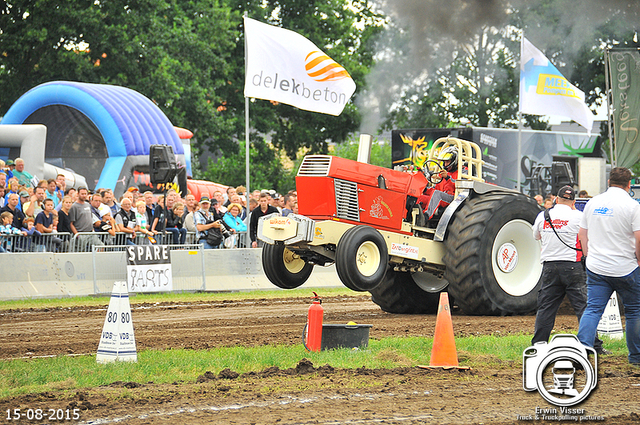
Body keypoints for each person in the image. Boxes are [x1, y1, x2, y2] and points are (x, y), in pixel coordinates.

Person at [531, 185, 607, 354]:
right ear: (573, 202)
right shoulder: (578, 216)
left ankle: (539, 344)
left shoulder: (543, 215)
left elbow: (536, 236)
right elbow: (588, 237)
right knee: (584, 308)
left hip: (549, 266)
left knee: (546, 308)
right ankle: (592, 345)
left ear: (556, 199)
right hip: (573, 266)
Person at [577, 167, 640, 366]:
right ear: (629, 185)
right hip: (626, 267)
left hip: (597, 267)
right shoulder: (633, 205)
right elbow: (639, 237)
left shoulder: (592, 203)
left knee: (593, 309)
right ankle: (636, 357)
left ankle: (582, 351)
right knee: (634, 311)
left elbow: (582, 234)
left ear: (608, 182)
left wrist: (588, 256)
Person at [417, 146, 458, 220]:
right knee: (419, 197)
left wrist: (447, 178)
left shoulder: (464, 172)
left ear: (454, 161)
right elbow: (436, 189)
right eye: (444, 162)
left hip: (454, 199)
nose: (445, 164)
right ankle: (412, 218)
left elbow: (460, 185)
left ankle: (425, 217)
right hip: (442, 197)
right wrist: (425, 190)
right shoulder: (443, 174)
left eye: (447, 161)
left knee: (437, 194)